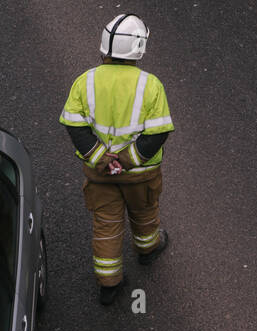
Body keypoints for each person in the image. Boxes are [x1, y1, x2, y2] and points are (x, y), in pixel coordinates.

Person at [58, 14, 173, 305]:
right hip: (140, 174)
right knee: (145, 214)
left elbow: (74, 125)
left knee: (106, 225)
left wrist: (102, 158)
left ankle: (109, 285)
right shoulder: (151, 85)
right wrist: (126, 159)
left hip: (100, 174)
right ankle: (148, 251)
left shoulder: (85, 81)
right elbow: (158, 133)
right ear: (138, 49)